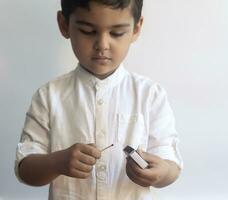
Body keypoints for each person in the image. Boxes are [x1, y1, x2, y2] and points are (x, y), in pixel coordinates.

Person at [15, 0, 183, 199]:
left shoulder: (150, 95)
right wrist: (57, 162)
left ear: (136, 29)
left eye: (117, 33)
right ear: (64, 25)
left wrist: (160, 173)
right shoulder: (48, 96)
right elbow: (25, 168)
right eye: (88, 31)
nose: (102, 45)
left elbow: (172, 165)